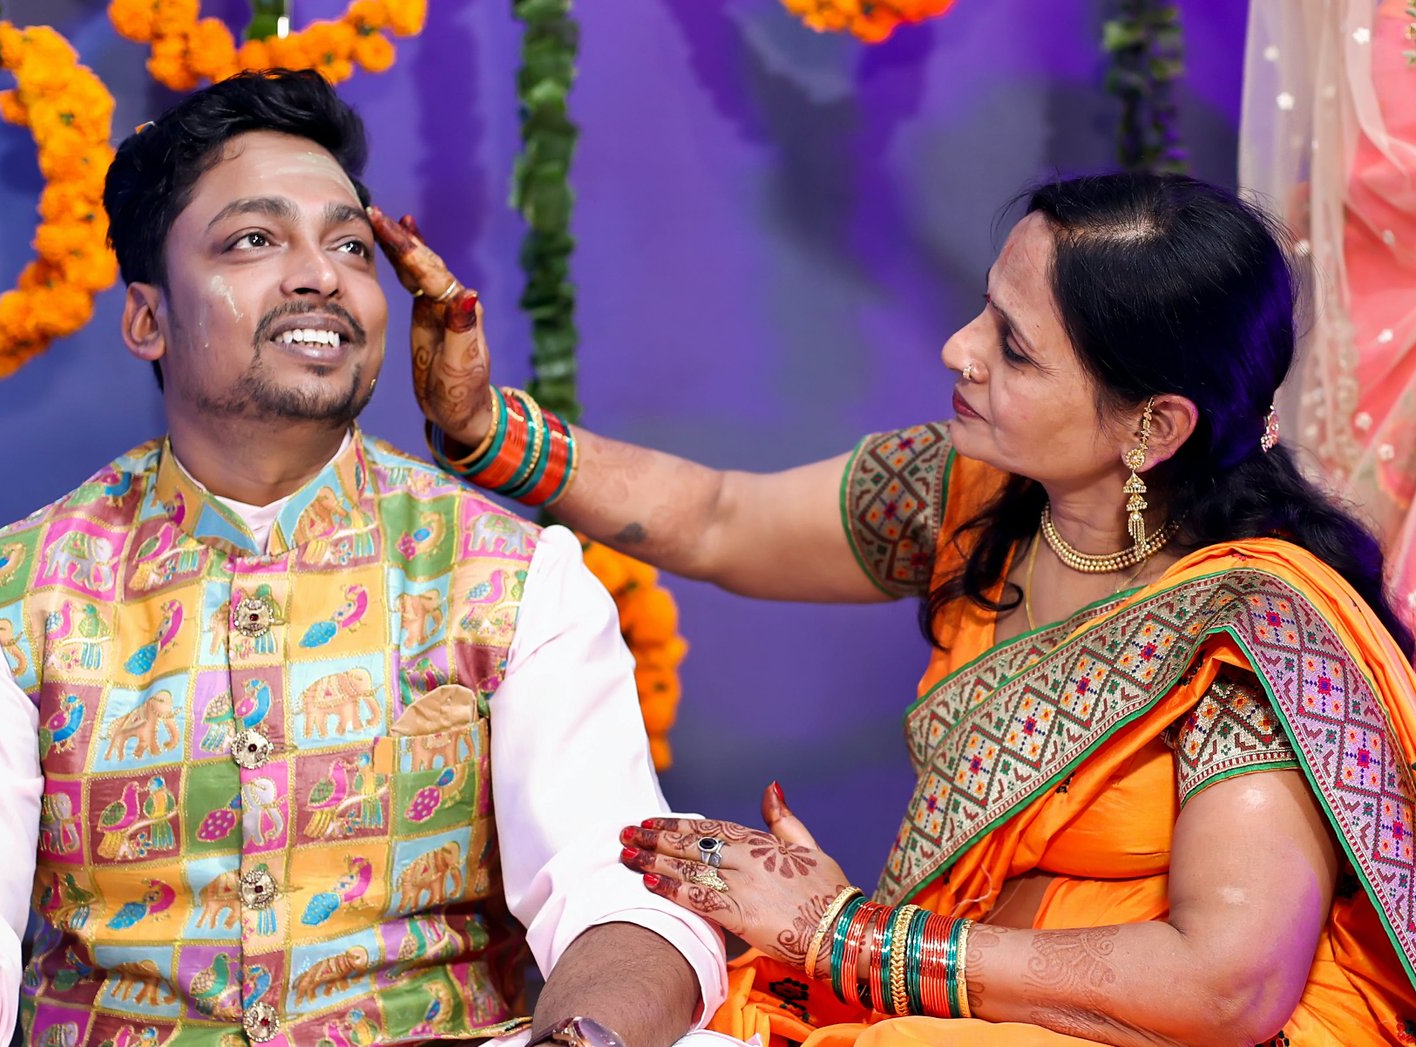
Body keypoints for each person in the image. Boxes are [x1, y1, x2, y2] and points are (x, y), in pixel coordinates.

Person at [373, 171, 1416, 1045]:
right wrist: (477, 427)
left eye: (1013, 347)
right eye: (983, 311)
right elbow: (719, 517)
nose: (958, 349)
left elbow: (1226, 987)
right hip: (956, 1006)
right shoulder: (981, 502)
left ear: (1152, 425)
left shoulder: (1251, 631)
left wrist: (842, 936)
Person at [0, 70, 732, 1047]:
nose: (320, 274)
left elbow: (618, 893)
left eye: (348, 244)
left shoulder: (508, 577)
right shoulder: (17, 594)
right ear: (147, 318)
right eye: (254, 240)